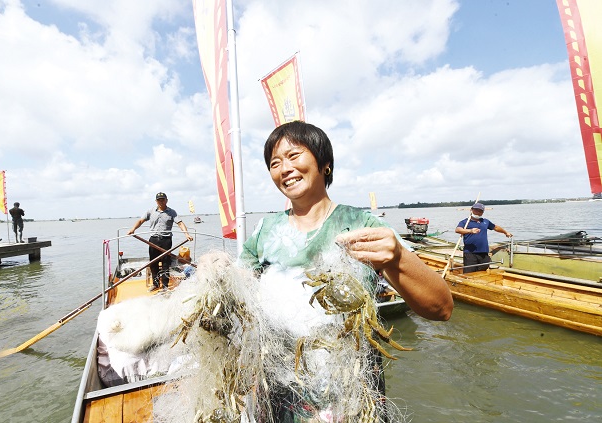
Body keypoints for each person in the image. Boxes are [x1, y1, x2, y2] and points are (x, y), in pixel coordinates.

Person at [239, 121, 454, 420]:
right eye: (275, 163)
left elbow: (441, 308)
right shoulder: (265, 229)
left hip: (347, 396)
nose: (284, 168)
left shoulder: (364, 226)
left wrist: (397, 259)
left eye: (294, 155)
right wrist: (218, 272)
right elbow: (239, 290)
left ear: (325, 164)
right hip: (277, 394)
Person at [127, 192, 193, 291]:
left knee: (166, 263)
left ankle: (165, 286)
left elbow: (180, 223)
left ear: (166, 200)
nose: (161, 202)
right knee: (153, 263)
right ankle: (156, 284)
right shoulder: (150, 211)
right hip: (153, 240)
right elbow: (141, 221)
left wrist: (186, 234)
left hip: (166, 240)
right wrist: (133, 229)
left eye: (163, 199)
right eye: (159, 200)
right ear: (156, 201)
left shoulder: (172, 212)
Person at [455, 202, 513, 273]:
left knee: (483, 271)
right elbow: (457, 230)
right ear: (471, 210)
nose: (478, 212)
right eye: (476, 210)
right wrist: (470, 231)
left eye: (481, 211)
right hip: (470, 253)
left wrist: (505, 232)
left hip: (484, 252)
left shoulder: (485, 221)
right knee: (469, 273)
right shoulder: (465, 222)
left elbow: (496, 227)